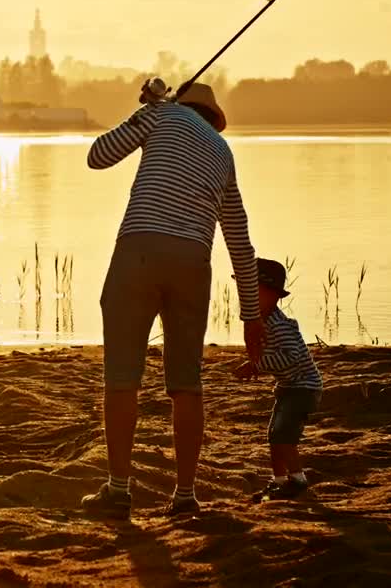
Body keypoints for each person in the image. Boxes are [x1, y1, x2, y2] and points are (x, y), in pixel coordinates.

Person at [81, 78, 265, 519]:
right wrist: (251, 315)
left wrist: (145, 111)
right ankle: (185, 495)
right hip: (192, 263)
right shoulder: (223, 153)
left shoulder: (162, 113)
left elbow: (98, 156)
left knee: (122, 377)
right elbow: (239, 241)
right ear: (214, 120)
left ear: (181, 103)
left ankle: (119, 488)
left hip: (139, 251)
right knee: (187, 383)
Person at [232, 258, 324, 502]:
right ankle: (279, 480)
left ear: (273, 296)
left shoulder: (279, 324)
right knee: (274, 435)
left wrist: (256, 366)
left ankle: (298, 480)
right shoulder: (262, 321)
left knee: (283, 436)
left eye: (254, 293)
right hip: (287, 387)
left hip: (303, 388)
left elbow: (291, 357)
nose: (247, 298)